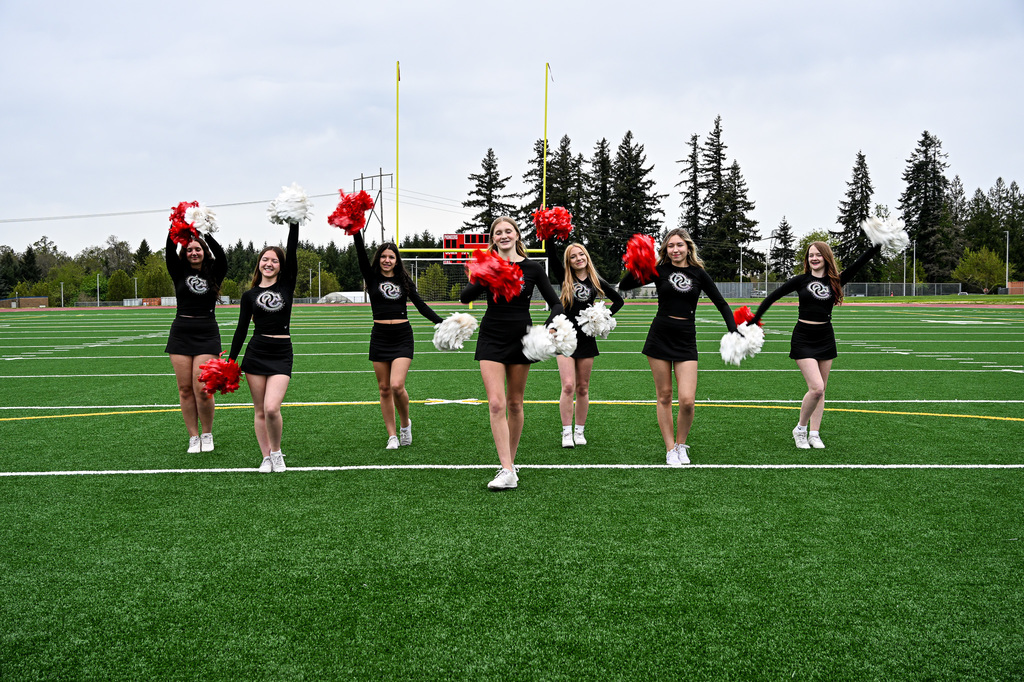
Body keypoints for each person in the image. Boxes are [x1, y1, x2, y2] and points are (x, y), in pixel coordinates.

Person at [460, 216, 565, 491]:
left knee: (515, 403)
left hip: (521, 337)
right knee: (496, 403)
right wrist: (483, 271)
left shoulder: (531, 268)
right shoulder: (489, 266)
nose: (504, 235)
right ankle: (506, 468)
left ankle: (510, 465)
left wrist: (546, 330)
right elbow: (465, 296)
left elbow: (556, 304)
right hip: (491, 336)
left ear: (517, 235)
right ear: (493, 238)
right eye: (498, 232)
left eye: (508, 231)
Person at [619, 228, 737, 466]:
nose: (675, 250)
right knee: (664, 396)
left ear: (688, 248)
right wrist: (639, 262)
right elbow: (624, 285)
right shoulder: (658, 270)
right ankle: (670, 448)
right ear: (665, 250)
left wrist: (734, 330)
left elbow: (721, 303)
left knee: (687, 400)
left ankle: (682, 445)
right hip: (660, 336)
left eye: (679, 245)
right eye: (670, 246)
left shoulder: (698, 273)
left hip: (686, 339)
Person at [750, 240, 880, 449]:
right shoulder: (800, 280)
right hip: (803, 336)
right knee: (816, 387)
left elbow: (859, 263)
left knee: (822, 389)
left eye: (818, 254)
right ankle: (800, 429)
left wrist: (877, 244)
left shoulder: (835, 281)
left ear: (826, 257)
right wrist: (755, 319)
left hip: (825, 336)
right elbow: (772, 297)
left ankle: (815, 433)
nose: (814, 258)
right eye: (811, 255)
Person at [352, 228, 443, 449]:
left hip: (402, 336)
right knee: (384, 388)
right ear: (378, 259)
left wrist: (441, 322)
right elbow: (361, 254)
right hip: (380, 336)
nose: (387, 260)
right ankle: (392, 435)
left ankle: (405, 425)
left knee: (397, 385)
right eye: (383, 256)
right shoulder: (371, 278)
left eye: (391, 257)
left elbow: (420, 305)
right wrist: (355, 229)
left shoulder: (404, 280)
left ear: (396, 260)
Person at [228, 222, 299, 473]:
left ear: (281, 266)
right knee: (259, 410)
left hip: (281, 352)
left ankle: (277, 451)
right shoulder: (249, 296)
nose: (269, 263)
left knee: (272, 408)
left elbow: (292, 248)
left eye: (274, 261)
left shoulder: (286, 285)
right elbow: (241, 328)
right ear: (259, 263)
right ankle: (265, 456)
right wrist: (231, 359)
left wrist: (294, 221)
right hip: (256, 352)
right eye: (265, 259)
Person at [545, 239, 624, 448]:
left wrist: (601, 317)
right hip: (565, 336)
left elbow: (619, 301)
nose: (578, 259)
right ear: (568, 262)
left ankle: (580, 430)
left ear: (586, 257)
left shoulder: (596, 280)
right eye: (573, 256)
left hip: (586, 338)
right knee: (568, 385)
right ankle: (566, 432)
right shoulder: (564, 277)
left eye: (581, 255)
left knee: (582, 388)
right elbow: (551, 254)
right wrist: (549, 233)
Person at [164, 232, 227, 453]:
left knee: (202, 388)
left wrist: (205, 231)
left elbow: (221, 255)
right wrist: (177, 227)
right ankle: (193, 436)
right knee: (184, 389)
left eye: (197, 249)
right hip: (181, 332)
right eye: (189, 249)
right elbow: (169, 249)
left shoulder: (215, 272)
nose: (193, 253)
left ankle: (207, 433)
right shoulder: (178, 270)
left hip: (207, 332)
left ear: (204, 252)